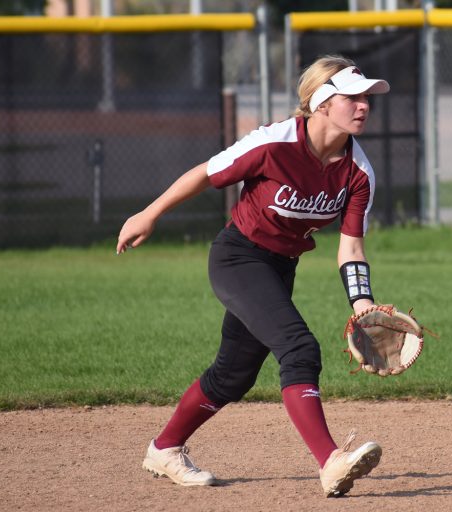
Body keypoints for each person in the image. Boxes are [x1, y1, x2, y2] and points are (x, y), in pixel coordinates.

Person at [115, 55, 390, 498]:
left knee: (233, 375)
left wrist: (362, 305)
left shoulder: (358, 173)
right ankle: (331, 461)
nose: (363, 106)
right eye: (352, 97)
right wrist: (149, 214)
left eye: (366, 99)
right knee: (299, 347)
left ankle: (164, 449)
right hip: (238, 258)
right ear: (321, 102)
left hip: (281, 269)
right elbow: (206, 174)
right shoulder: (273, 142)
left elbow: (351, 247)